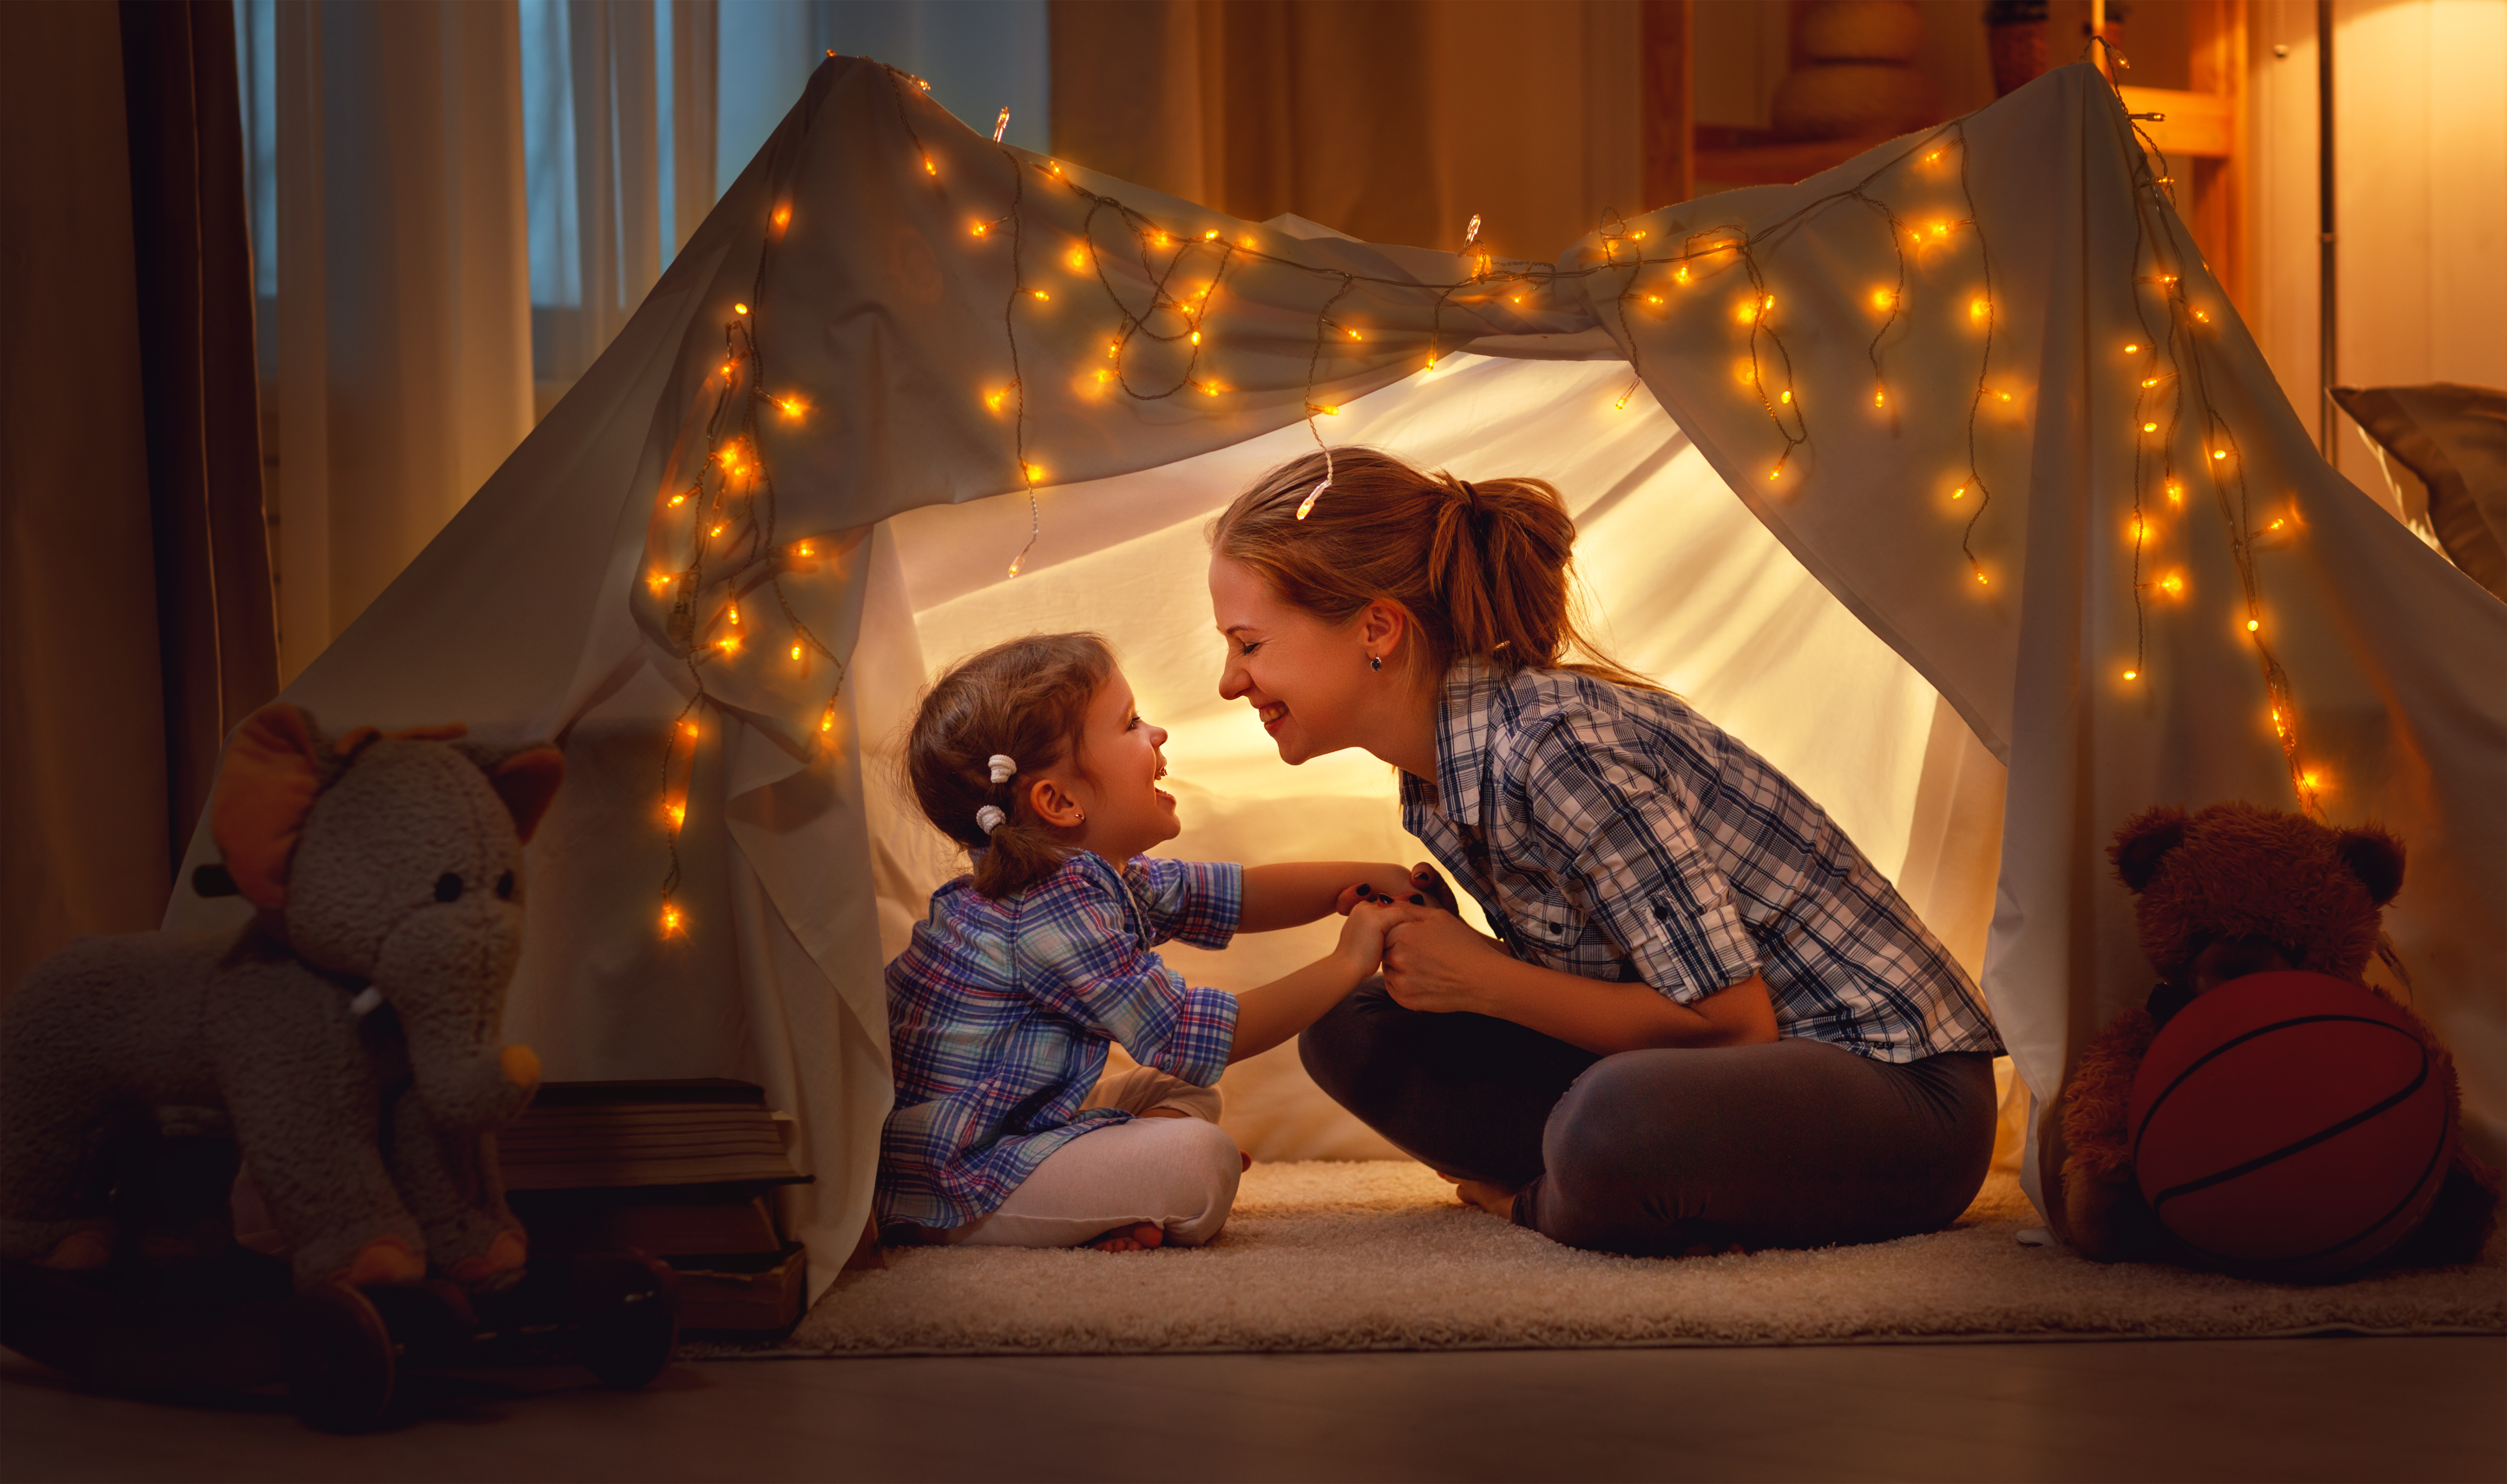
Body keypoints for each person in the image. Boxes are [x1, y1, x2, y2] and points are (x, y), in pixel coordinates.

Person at [1206, 449, 2005, 1257]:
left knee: (1615, 1119)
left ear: (1376, 629)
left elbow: (1733, 1027)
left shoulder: (1556, 746)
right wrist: (1452, 961)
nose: (1230, 682)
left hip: (1898, 1096)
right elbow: (1615, 983)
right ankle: (1609, 1185)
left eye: (1248, 643)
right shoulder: (1441, 776)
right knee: (1353, 1024)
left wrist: (1484, 977)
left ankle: (1549, 1199)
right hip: (1715, 1079)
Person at [882, 632, 1419, 1252]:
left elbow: (1232, 895)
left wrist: (1357, 879)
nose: (1157, 733)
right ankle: (1067, 1202)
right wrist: (1350, 961)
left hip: (1013, 1120)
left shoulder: (1087, 878)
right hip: (956, 1171)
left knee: (1177, 1093)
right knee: (1201, 1161)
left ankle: (1115, 1195)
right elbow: (1188, 1034)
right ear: (1058, 801)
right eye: (1131, 722)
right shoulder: (1042, 908)